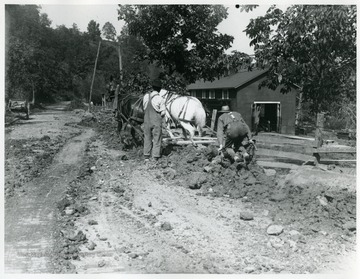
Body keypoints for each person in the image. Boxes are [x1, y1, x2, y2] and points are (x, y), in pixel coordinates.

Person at [143, 79, 166, 161]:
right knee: (157, 138)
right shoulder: (160, 99)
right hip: (156, 121)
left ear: (152, 88)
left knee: (147, 137)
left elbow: (144, 108)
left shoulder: (146, 96)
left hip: (146, 120)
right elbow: (163, 113)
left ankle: (146, 156)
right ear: (160, 89)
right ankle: (155, 156)